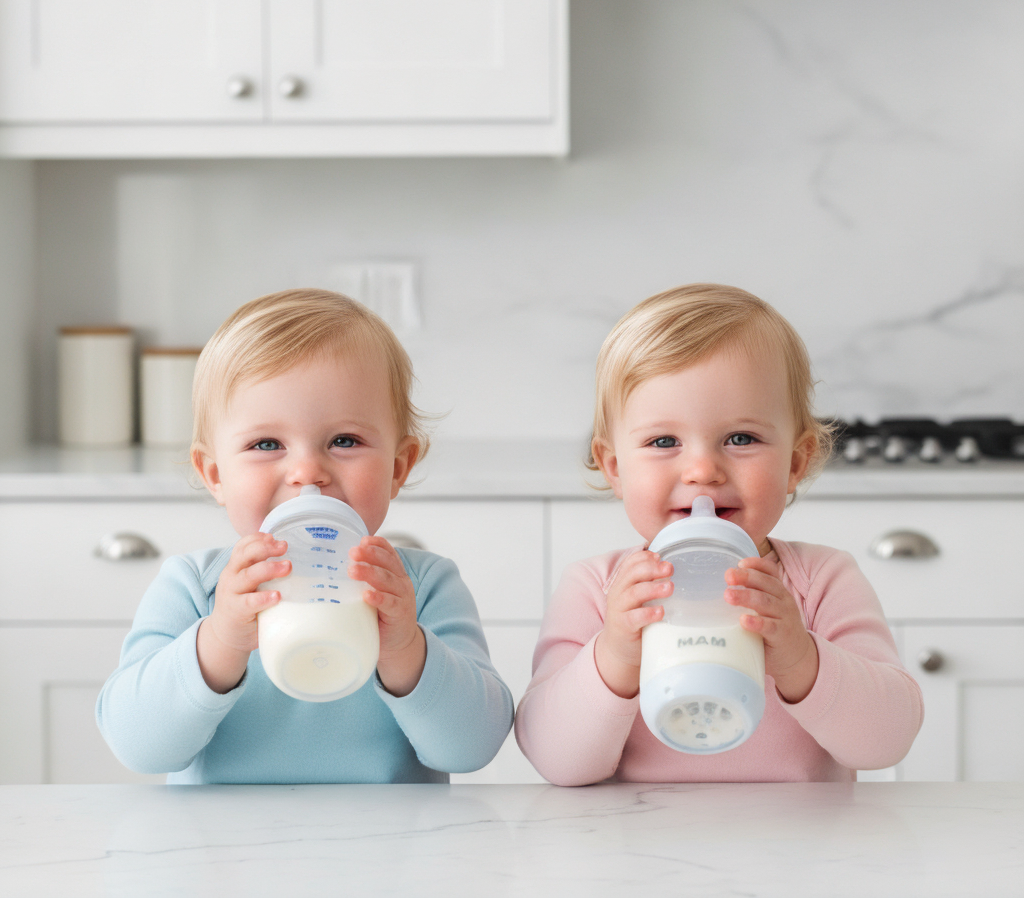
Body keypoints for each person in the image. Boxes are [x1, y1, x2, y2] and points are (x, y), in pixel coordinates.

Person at [97, 289, 513, 783]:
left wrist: (405, 648)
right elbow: (137, 746)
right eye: (266, 444)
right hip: (224, 854)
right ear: (214, 474)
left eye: (344, 441)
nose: (306, 472)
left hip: (392, 852)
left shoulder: (420, 588)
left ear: (398, 466)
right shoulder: (194, 587)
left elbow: (472, 748)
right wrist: (221, 640)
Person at [515, 283, 923, 785]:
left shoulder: (821, 581)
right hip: (633, 851)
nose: (702, 470)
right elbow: (556, 761)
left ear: (795, 462)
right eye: (663, 441)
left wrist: (800, 658)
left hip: (808, 854)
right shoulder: (597, 590)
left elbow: (888, 742)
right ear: (615, 467)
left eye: (741, 438)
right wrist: (615, 652)